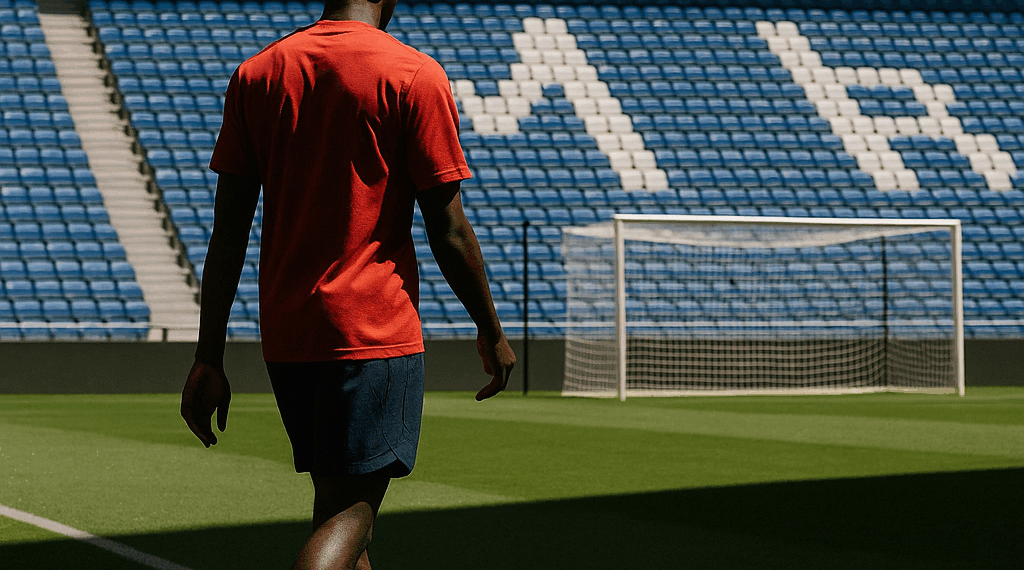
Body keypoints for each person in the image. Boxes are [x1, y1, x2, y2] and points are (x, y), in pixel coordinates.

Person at [179, 0, 516, 567]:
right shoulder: (413, 74)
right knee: (348, 513)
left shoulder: (259, 73)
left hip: (289, 340)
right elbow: (450, 228)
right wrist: (491, 329)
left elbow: (227, 234)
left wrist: (208, 356)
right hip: (371, 333)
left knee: (343, 512)